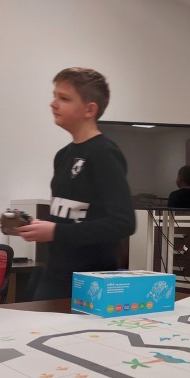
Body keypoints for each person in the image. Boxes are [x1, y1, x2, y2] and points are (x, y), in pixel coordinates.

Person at [17, 67, 136, 300]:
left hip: (89, 282)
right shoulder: (63, 155)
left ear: (89, 109)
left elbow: (123, 223)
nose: (53, 104)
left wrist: (55, 231)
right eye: (54, 95)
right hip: (54, 275)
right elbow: (68, 215)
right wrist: (41, 227)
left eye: (64, 98)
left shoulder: (104, 153)